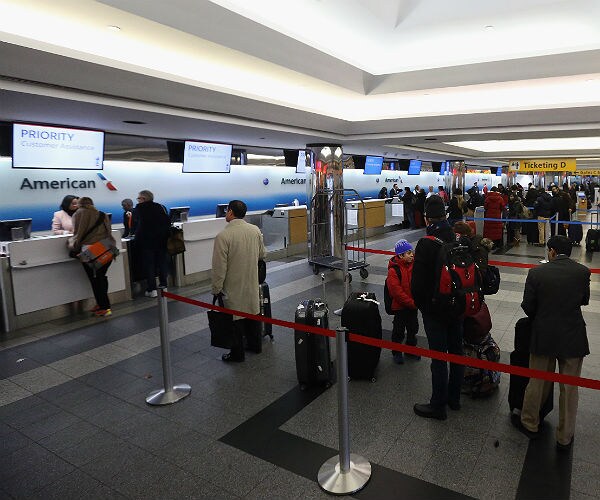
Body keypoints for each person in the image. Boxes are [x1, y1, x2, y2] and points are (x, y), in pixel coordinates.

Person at [517, 235, 590, 451]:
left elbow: (527, 305)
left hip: (544, 334)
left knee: (537, 381)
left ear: (551, 251)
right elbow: (583, 300)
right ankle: (565, 436)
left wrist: (541, 316)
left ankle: (530, 423)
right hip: (573, 335)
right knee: (570, 388)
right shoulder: (582, 272)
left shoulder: (537, 272)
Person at [411, 195, 463, 420]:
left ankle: (438, 405)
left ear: (426, 218)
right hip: (457, 306)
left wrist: (423, 306)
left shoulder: (426, 243)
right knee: (457, 353)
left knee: (439, 357)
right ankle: (454, 399)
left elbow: (417, 284)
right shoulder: (457, 237)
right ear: (445, 214)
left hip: (435, 310)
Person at [212, 200, 266, 362]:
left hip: (232, 285)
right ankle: (255, 346)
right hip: (251, 281)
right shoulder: (254, 230)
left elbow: (219, 267)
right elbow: (262, 254)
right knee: (252, 313)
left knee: (234, 319)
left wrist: (216, 288)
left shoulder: (223, 236)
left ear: (230, 212)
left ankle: (237, 354)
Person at [69, 197, 115, 317]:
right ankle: (101, 304)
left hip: (89, 251)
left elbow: (78, 233)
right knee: (101, 277)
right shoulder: (101, 213)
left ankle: (105, 307)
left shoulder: (79, 213)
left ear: (80, 204)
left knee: (95, 280)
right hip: (106, 248)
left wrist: (73, 245)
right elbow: (108, 231)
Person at [387, 239, 419, 365]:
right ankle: (397, 352)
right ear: (400, 255)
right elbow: (396, 292)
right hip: (400, 307)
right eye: (408, 253)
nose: (412, 255)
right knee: (398, 330)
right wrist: (412, 302)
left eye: (412, 252)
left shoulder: (414, 266)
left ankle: (410, 349)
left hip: (413, 306)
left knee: (413, 328)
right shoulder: (393, 270)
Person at [134, 190, 171, 298]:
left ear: (144, 199)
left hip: (146, 243)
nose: (138, 200)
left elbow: (137, 225)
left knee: (149, 266)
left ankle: (152, 289)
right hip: (161, 241)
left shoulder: (139, 209)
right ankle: (164, 286)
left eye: (139, 198)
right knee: (162, 263)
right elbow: (167, 222)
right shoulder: (160, 207)